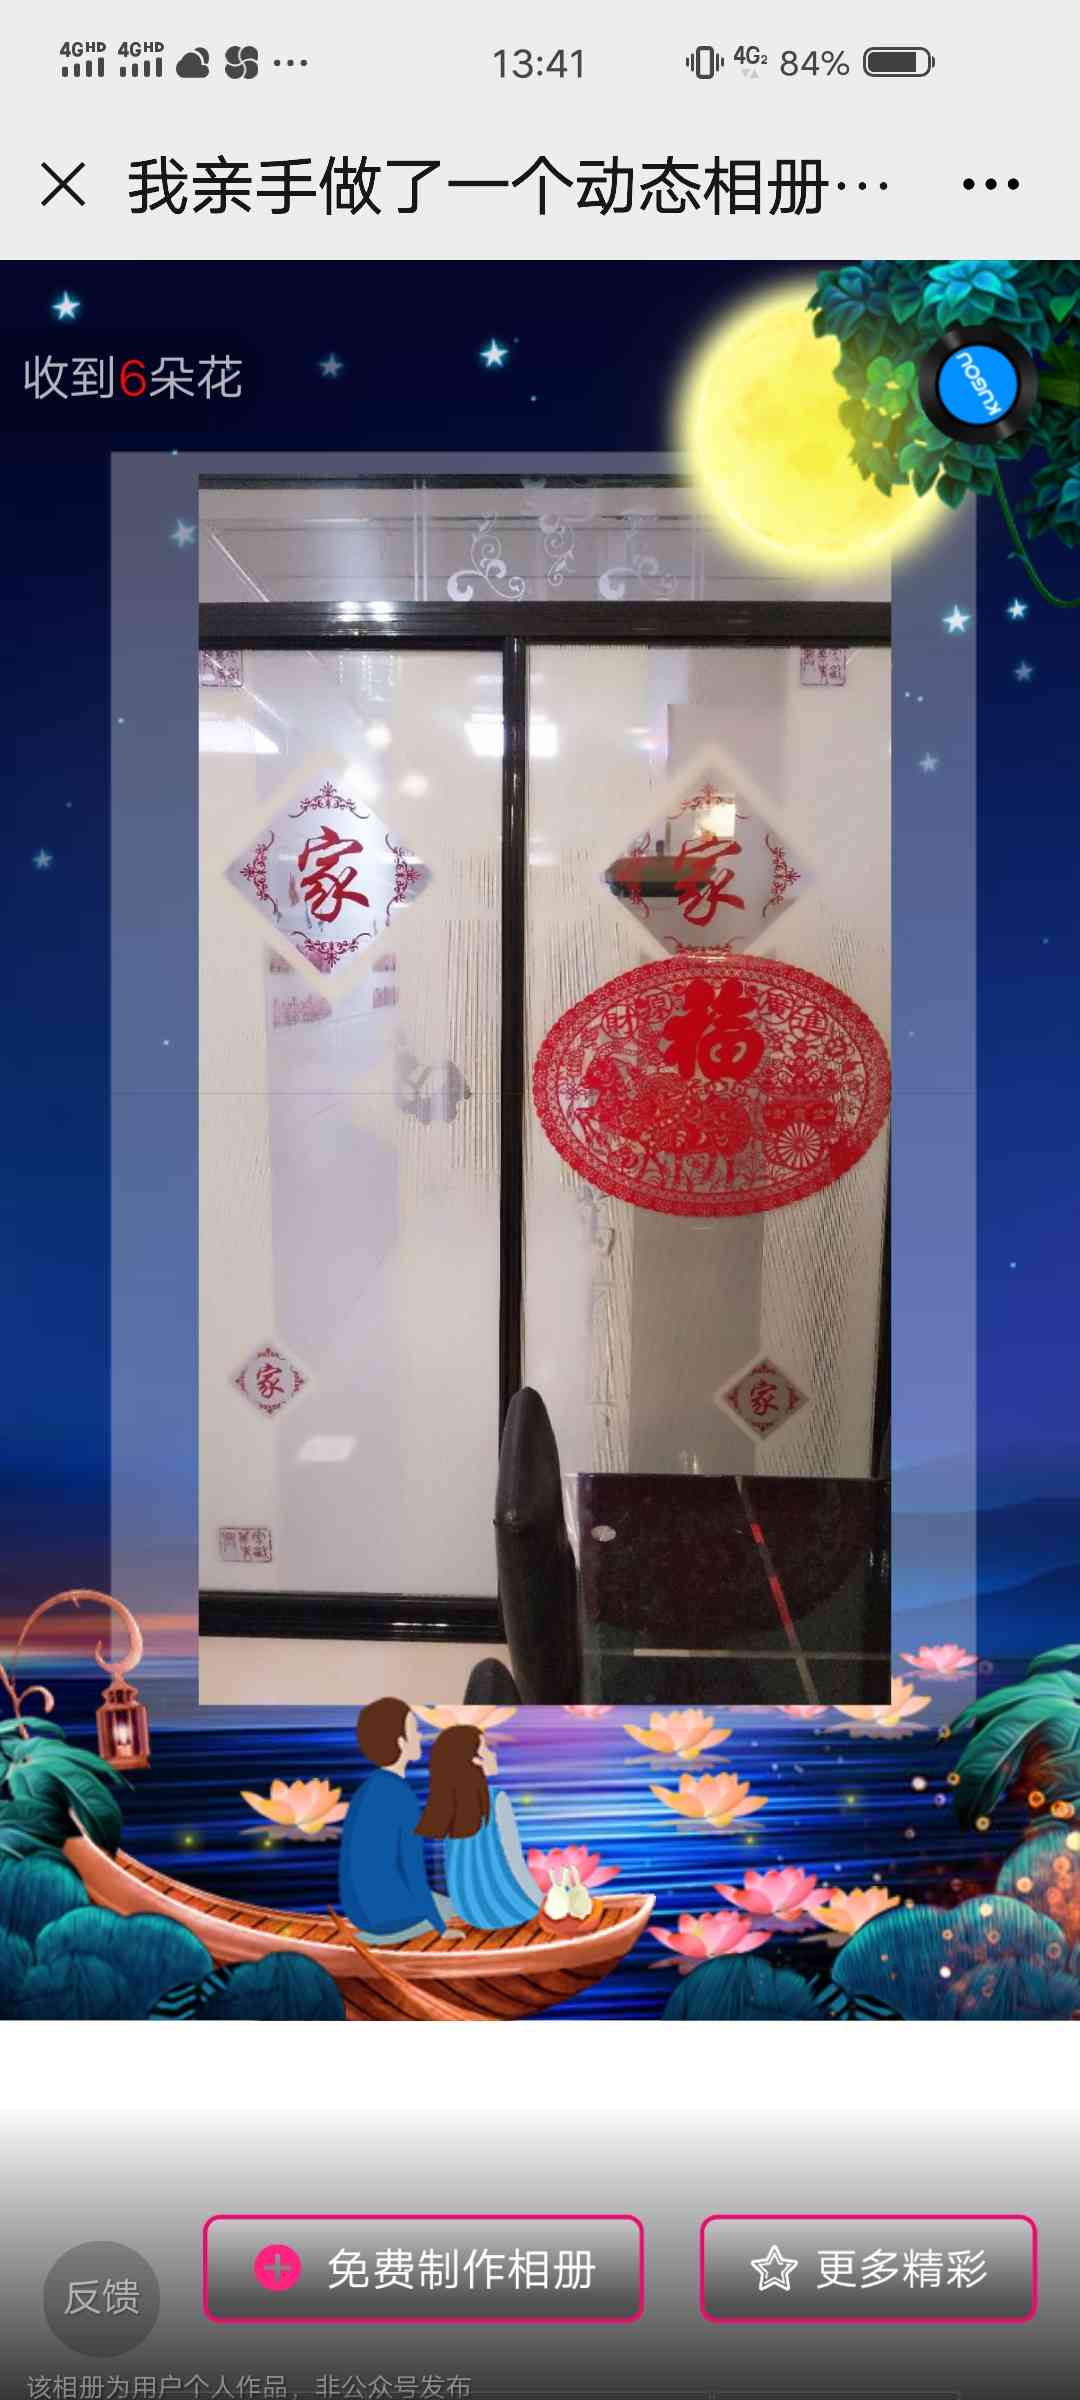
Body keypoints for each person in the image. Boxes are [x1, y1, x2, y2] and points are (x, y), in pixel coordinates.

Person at [338, 1697, 459, 1944]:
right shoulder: (401, 1796)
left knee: (443, 1901)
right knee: (458, 1907)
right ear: (401, 1742)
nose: (420, 1736)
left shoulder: (366, 1788)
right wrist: (440, 1928)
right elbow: (413, 1870)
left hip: (359, 1912)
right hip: (390, 1916)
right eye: (414, 1730)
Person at [417, 1724, 543, 1931]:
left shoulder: (448, 1805)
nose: (493, 1754)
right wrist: (538, 1901)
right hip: (510, 1910)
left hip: (469, 1910)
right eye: (486, 1748)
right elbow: (514, 1861)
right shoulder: (496, 1799)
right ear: (474, 1760)